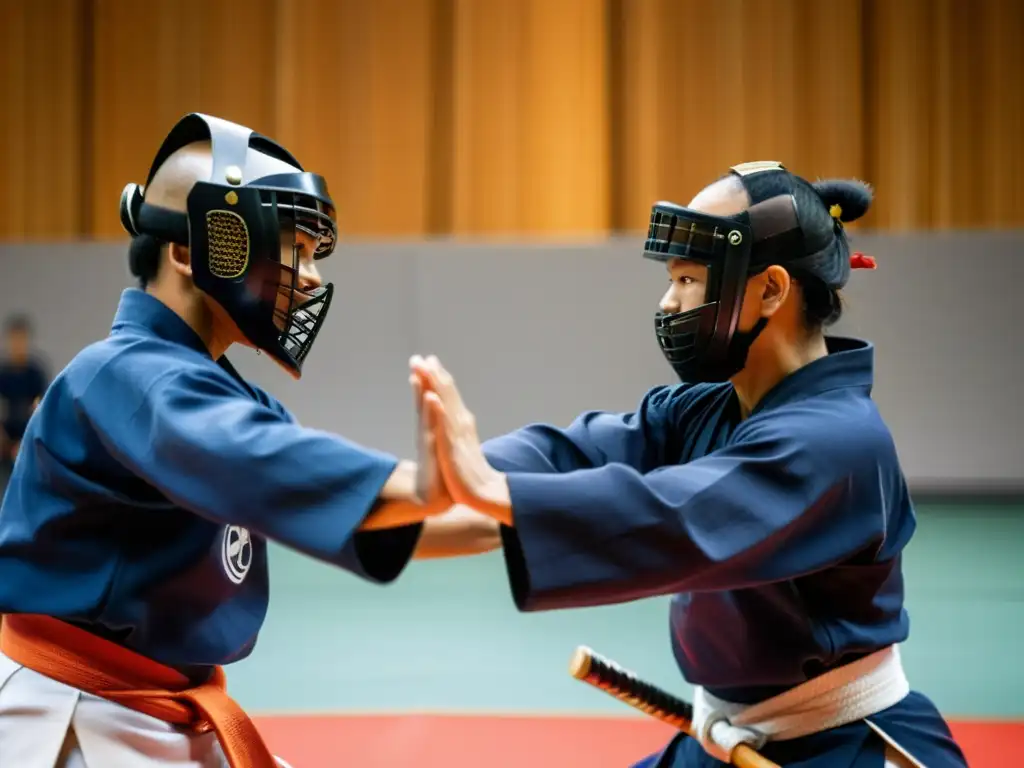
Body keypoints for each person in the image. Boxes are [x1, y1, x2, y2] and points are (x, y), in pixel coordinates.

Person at [410, 162, 969, 767]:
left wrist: (493, 492)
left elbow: (671, 518)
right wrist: (387, 502)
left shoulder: (839, 442)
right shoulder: (703, 411)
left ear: (771, 290)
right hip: (733, 742)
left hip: (841, 748)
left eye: (687, 279)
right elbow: (567, 455)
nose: (668, 301)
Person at [0, 113, 499, 768]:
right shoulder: (120, 375)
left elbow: (370, 524)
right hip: (70, 721)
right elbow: (267, 465)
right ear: (190, 250)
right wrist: (421, 483)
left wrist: (524, 511)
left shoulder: (227, 397)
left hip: (148, 715)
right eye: (291, 248)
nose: (311, 278)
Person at [0, 315, 48, 476]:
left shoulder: (35, 374)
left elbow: (41, 408)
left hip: (29, 439)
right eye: (14, 339)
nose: (18, 345)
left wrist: (27, 439)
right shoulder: (3, 374)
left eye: (21, 339)